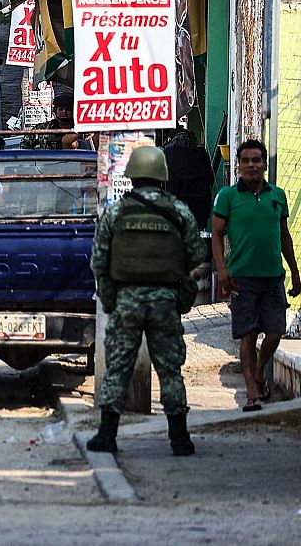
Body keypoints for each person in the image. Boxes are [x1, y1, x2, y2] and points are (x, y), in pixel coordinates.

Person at [86, 145, 207, 457]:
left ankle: (107, 435)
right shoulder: (178, 210)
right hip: (165, 301)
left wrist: (111, 297)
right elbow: (196, 254)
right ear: (162, 175)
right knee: (170, 369)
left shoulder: (115, 212)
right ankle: (180, 438)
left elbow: (99, 260)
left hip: (127, 299)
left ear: (132, 176)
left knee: (118, 368)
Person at [211, 139, 301, 411]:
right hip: (242, 278)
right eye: (246, 161)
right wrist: (223, 269)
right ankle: (252, 392)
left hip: (273, 276)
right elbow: (216, 234)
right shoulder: (228, 196)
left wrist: (295, 272)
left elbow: (284, 236)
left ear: (263, 164)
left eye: (256, 161)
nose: (251, 165)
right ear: (239, 165)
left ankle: (260, 372)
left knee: (275, 333)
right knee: (248, 336)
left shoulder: (278, 196)